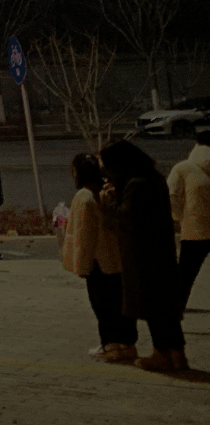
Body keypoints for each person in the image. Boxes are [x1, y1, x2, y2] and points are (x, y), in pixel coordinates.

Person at [100, 139, 187, 372]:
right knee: (165, 307)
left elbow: (126, 218)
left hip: (143, 256)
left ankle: (162, 354)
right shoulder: (153, 178)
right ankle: (177, 354)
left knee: (154, 308)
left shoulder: (136, 185)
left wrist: (109, 200)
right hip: (161, 251)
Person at [59, 152, 136, 362]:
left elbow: (85, 236)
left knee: (103, 306)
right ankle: (127, 345)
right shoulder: (108, 191)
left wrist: (82, 267)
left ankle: (110, 347)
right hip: (117, 259)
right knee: (121, 304)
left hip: (98, 262)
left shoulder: (84, 197)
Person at [167, 127, 210, 304]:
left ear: (196, 143)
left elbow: (171, 196)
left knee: (186, 271)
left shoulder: (184, 167)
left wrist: (178, 218)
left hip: (194, 228)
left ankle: (176, 306)